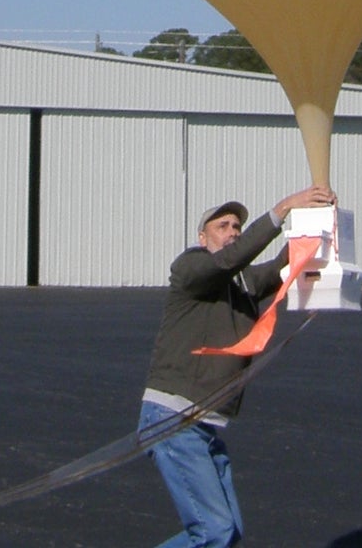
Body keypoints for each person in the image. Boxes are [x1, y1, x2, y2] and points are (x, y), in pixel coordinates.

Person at [139, 184, 336, 548]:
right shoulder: (190, 268)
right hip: (172, 420)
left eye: (236, 227)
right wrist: (283, 209)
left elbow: (284, 263)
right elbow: (230, 260)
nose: (232, 232)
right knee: (214, 532)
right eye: (222, 226)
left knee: (226, 534)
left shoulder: (243, 281)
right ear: (203, 237)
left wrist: (318, 219)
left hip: (203, 427)